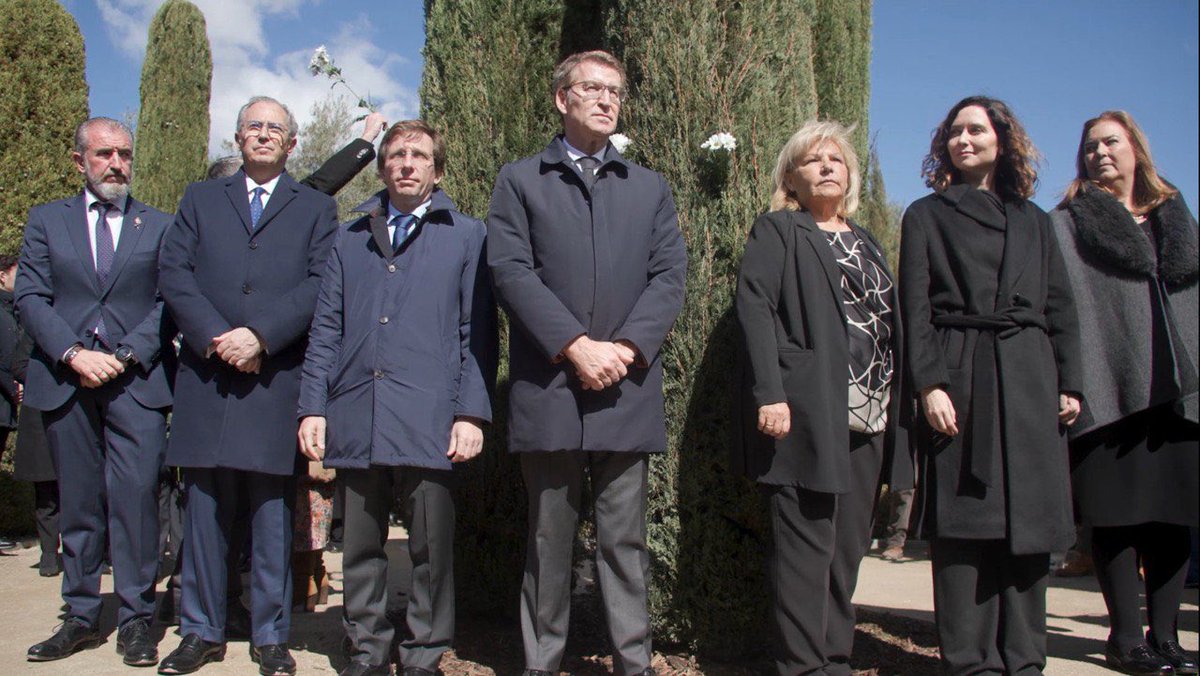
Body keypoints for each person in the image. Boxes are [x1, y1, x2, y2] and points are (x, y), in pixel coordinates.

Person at [487, 49, 687, 676]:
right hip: (550, 388)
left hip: (625, 391)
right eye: (592, 88)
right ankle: (541, 663)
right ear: (561, 99)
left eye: (616, 91)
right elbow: (511, 271)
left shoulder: (649, 187)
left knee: (624, 543)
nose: (606, 100)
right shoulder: (520, 181)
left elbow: (669, 276)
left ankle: (635, 663)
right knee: (549, 543)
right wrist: (574, 345)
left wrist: (625, 350)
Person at [156, 111, 390, 633]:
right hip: (208, 376)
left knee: (271, 518)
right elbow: (174, 271)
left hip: (273, 377)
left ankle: (270, 634)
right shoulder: (200, 199)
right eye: (254, 127)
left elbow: (320, 283)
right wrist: (218, 337)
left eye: (275, 129)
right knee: (204, 514)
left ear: (292, 142)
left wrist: (260, 336)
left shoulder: (313, 207)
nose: (264, 135)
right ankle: (199, 631)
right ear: (238, 137)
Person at [298, 119, 496, 676]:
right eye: (396, 154)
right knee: (360, 549)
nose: (406, 163)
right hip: (356, 413)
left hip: (431, 420)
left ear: (437, 170)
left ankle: (424, 653)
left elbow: (476, 331)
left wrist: (470, 412)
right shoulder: (350, 235)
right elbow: (326, 329)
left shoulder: (466, 234)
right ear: (383, 165)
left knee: (430, 550)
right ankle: (366, 648)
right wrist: (314, 405)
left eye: (419, 155)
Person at [899, 95, 1083, 675]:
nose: (964, 139)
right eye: (955, 132)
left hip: (1029, 378)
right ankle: (968, 661)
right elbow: (915, 309)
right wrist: (929, 384)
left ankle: (1025, 661)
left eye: (976, 129)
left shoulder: (1035, 220)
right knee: (963, 527)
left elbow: (1061, 305)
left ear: (1001, 140)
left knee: (1030, 526)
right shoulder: (925, 215)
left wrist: (1070, 382)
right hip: (961, 375)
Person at [734, 120, 904, 675]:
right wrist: (770, 392)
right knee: (806, 548)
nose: (828, 165)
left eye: (836, 158)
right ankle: (802, 666)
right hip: (808, 410)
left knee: (847, 547)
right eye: (813, 160)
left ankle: (834, 659)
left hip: (870, 413)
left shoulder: (867, 241)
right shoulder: (780, 230)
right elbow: (756, 309)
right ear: (792, 176)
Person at [15, 117, 175, 666]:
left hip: (136, 384)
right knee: (78, 505)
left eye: (125, 154)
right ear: (79, 160)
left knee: (136, 505)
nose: (116, 164)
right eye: (105, 153)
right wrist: (73, 354)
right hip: (65, 380)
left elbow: (168, 302)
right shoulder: (46, 221)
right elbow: (31, 297)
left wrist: (126, 354)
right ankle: (80, 616)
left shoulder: (158, 225)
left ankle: (135, 621)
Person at [1051, 110, 1199, 675]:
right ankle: (1125, 639)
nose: (1100, 153)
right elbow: (1062, 306)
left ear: (1136, 148)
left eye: (1111, 142)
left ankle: (1168, 638)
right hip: (1110, 391)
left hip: (1180, 395)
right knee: (1115, 517)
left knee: (1172, 518)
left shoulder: (1176, 217)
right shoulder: (1068, 223)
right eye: (1090, 147)